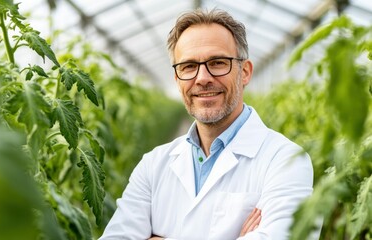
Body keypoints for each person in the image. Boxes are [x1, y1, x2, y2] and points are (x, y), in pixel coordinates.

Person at [99, 8, 314, 240]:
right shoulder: (153, 165)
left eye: (218, 62)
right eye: (189, 66)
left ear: (245, 72)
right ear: (177, 79)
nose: (202, 78)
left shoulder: (286, 161)